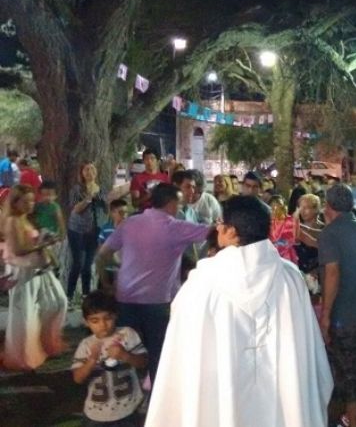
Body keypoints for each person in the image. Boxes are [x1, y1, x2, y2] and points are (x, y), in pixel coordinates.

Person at [145, 195, 333, 427]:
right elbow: (310, 356)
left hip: (221, 394)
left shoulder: (202, 283)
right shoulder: (290, 277)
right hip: (283, 404)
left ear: (232, 231)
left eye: (220, 221)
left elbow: (183, 351)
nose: (217, 226)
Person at [95, 183, 210, 382]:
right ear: (172, 203)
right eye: (179, 204)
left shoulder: (130, 223)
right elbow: (213, 232)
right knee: (158, 354)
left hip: (125, 299)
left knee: (125, 350)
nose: (180, 209)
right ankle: (154, 399)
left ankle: (123, 394)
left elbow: (103, 255)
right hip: (158, 303)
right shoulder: (175, 227)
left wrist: (107, 282)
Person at [317, 184, 356, 427]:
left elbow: (332, 272)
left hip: (342, 314)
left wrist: (326, 316)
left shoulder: (330, 234)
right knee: (354, 373)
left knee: (347, 378)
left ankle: (353, 421)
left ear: (328, 206)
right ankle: (348, 419)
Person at [2, 185, 68, 370]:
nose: (31, 204)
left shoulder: (27, 219)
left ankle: (45, 343)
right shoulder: (13, 221)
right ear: (15, 203)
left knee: (58, 302)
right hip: (24, 272)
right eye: (26, 201)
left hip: (39, 268)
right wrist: (42, 244)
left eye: (32, 200)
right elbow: (18, 250)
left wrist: (45, 245)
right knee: (25, 314)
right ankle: (24, 355)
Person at [72, 291, 148, 427]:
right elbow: (77, 378)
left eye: (107, 318)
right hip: (96, 414)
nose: (103, 325)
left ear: (115, 315)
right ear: (86, 322)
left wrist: (125, 355)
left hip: (128, 409)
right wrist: (91, 360)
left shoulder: (127, 334)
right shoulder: (86, 345)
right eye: (95, 320)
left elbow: (143, 362)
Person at [66, 162, 108, 302]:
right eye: (86, 169)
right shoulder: (77, 189)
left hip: (94, 230)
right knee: (78, 263)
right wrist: (88, 197)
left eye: (92, 169)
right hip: (77, 230)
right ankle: (69, 295)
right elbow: (75, 209)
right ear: (82, 173)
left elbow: (105, 208)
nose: (89, 172)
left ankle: (86, 295)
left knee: (88, 264)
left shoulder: (101, 189)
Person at [294, 193, 325, 276]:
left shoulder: (325, 229)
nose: (303, 211)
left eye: (306, 208)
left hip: (317, 275)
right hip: (298, 272)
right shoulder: (296, 227)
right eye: (301, 208)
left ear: (316, 209)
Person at [268, 195, 298, 263]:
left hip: (287, 256)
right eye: (273, 208)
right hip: (270, 256)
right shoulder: (265, 223)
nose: (276, 210)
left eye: (279, 207)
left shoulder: (290, 221)